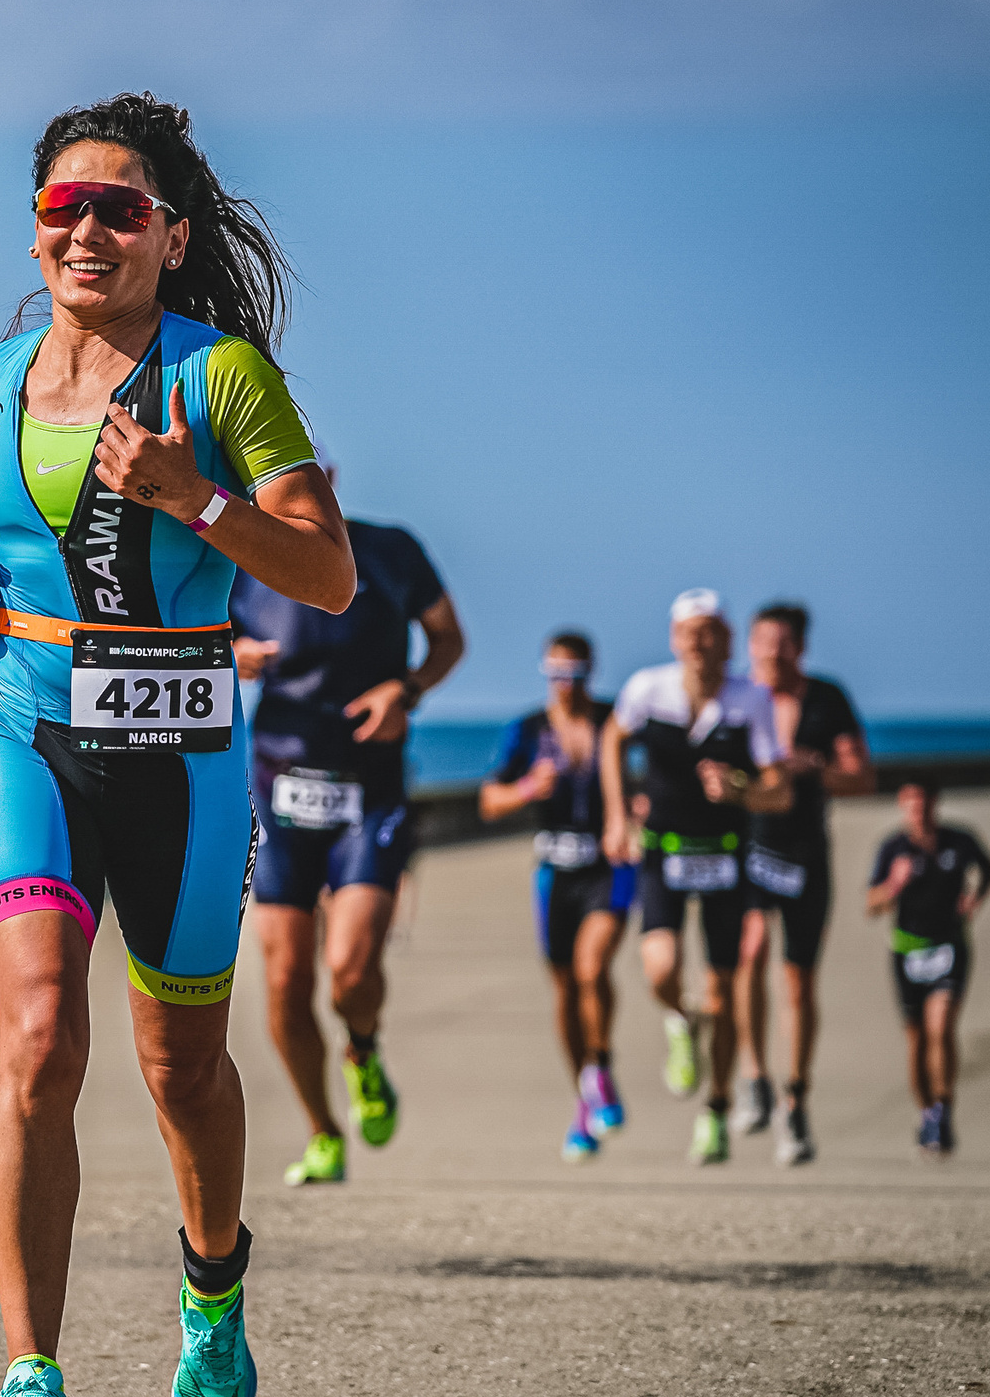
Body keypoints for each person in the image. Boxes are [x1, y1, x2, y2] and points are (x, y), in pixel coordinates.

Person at [0, 92, 353, 1397]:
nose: (88, 227)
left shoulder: (217, 377)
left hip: (182, 747)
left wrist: (196, 500)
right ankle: (28, 1382)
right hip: (25, 724)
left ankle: (212, 1279)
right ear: (35, 229)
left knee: (179, 1065)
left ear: (171, 232)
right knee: (40, 1038)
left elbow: (326, 575)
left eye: (119, 206)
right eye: (64, 206)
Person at [232, 480, 462, 1186]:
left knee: (352, 973)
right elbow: (184, 631)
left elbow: (449, 636)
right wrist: (227, 652)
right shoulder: (236, 553)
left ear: (325, 481)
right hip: (278, 789)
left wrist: (408, 689)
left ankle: (362, 1049)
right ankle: (322, 1129)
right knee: (284, 981)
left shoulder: (390, 550)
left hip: (369, 788)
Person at [601, 590, 790, 1166]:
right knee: (660, 971)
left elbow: (778, 789)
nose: (700, 644)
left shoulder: (750, 700)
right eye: (690, 633)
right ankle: (680, 1023)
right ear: (674, 639)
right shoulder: (646, 690)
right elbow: (613, 738)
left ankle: (716, 1109)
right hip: (663, 851)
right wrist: (617, 814)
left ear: (728, 641)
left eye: (711, 633)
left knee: (725, 992)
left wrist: (742, 790)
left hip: (726, 856)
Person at [479, 632, 632, 1163]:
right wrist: (526, 789)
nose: (566, 686)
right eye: (557, 674)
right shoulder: (527, 731)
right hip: (553, 873)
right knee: (565, 989)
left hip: (608, 867)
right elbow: (489, 800)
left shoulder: (615, 723)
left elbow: (656, 778)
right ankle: (584, 1098)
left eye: (576, 675)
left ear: (591, 674)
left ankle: (603, 1064)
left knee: (593, 970)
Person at [733, 602, 873, 1165]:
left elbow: (862, 777)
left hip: (807, 854)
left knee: (797, 984)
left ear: (801, 648)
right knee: (749, 951)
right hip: (751, 847)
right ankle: (753, 1077)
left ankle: (795, 1099)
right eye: (762, 641)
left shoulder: (828, 700)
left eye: (782, 643)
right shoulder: (737, 699)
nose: (770, 652)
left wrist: (816, 771)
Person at [865, 778, 990, 1153]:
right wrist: (893, 885)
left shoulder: (959, 840)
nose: (918, 810)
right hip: (907, 951)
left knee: (941, 1027)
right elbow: (871, 906)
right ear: (902, 805)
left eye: (924, 802)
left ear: (935, 803)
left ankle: (943, 1107)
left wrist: (975, 898)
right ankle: (926, 1112)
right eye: (911, 803)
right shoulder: (892, 848)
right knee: (917, 1040)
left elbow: (989, 869)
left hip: (949, 947)